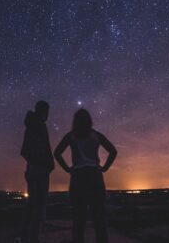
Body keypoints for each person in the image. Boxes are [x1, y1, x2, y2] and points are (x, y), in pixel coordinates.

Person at [54, 108, 117, 243]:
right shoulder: (96, 135)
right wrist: (104, 168)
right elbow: (113, 151)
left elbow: (57, 153)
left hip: (78, 177)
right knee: (99, 218)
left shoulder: (71, 136)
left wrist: (67, 169)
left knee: (79, 219)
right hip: (95, 176)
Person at [20, 100, 55, 243]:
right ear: (44, 111)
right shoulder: (38, 125)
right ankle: (33, 238)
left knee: (33, 207)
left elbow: (25, 150)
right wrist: (44, 164)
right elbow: (31, 150)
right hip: (39, 170)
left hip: (34, 168)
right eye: (47, 111)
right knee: (38, 208)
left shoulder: (32, 125)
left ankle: (28, 238)